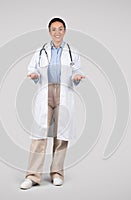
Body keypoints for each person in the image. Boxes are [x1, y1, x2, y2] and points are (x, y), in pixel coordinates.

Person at [20, 17, 85, 190]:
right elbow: (31, 68)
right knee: (38, 134)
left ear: (65, 31)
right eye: (54, 29)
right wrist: (34, 75)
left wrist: (77, 77)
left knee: (61, 135)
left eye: (60, 29)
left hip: (64, 92)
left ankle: (57, 173)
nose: (57, 32)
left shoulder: (72, 52)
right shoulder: (41, 51)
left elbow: (76, 71)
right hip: (45, 92)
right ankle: (32, 176)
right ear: (49, 32)